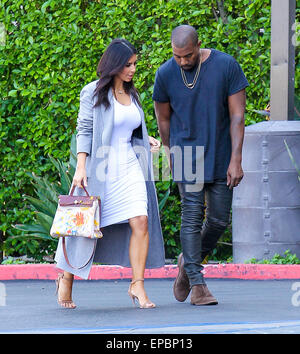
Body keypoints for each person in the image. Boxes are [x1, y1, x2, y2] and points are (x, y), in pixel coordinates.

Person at [54, 38, 165, 309]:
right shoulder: (92, 92)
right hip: (101, 169)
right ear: (113, 65)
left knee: (141, 219)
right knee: (84, 227)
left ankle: (137, 285)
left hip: (129, 166)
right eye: (128, 64)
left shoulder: (133, 94)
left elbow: (130, 128)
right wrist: (81, 167)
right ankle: (67, 276)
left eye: (135, 64)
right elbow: (85, 130)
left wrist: (146, 139)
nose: (133, 70)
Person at [153, 25, 249, 305]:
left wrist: (236, 159)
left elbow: (237, 117)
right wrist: (169, 153)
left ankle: (187, 262)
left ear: (198, 46)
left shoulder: (226, 66)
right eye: (177, 56)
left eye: (188, 56)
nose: (182, 61)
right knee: (191, 217)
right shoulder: (165, 74)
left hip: (221, 154)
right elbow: (164, 119)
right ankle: (198, 284)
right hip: (186, 154)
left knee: (219, 221)